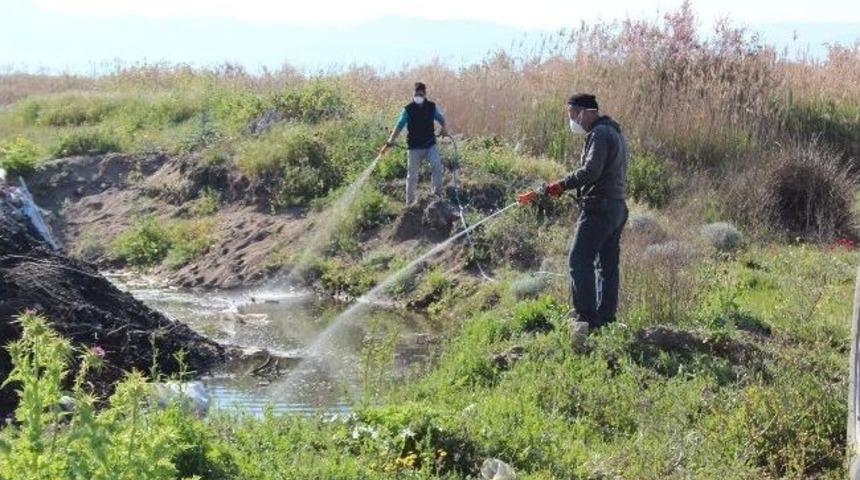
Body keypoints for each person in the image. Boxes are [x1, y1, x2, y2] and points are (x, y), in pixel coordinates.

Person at [518, 93, 628, 348]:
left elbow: (591, 171)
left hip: (599, 208)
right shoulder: (615, 132)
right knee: (607, 267)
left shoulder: (599, 133)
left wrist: (559, 185)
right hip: (617, 206)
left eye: (572, 115)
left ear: (586, 112)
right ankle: (606, 319)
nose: (572, 121)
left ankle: (586, 319)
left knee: (579, 261)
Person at [382, 82, 449, 205]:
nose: (418, 96)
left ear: (425, 94)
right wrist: (391, 141)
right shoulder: (408, 109)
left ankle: (437, 196)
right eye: (416, 94)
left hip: (430, 145)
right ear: (413, 94)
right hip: (414, 147)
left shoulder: (431, 107)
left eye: (420, 94)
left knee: (437, 165)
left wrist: (444, 129)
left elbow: (441, 119)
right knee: (412, 175)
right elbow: (399, 125)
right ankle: (410, 203)